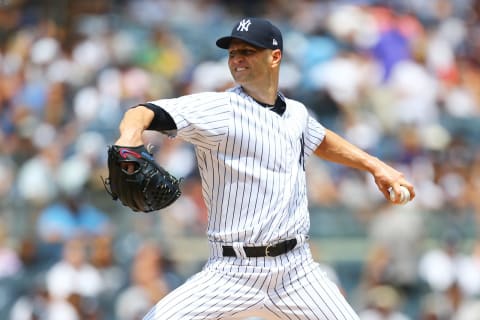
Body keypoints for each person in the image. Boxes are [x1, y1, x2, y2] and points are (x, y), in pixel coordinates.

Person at [113, 17, 415, 320]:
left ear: (275, 56)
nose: (237, 59)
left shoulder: (296, 113)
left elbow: (320, 139)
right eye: (233, 53)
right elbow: (143, 112)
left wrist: (375, 166)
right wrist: (129, 137)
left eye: (247, 51)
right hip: (231, 272)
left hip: (297, 273)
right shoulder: (219, 109)